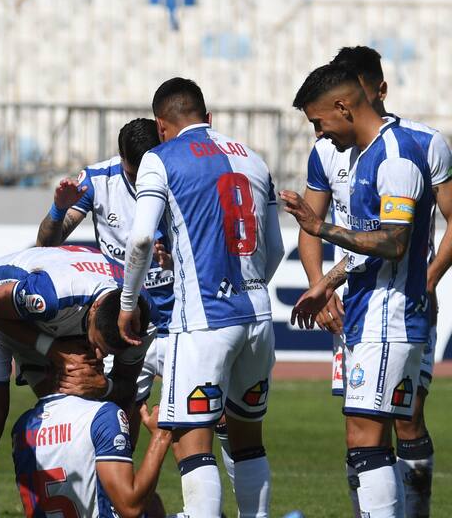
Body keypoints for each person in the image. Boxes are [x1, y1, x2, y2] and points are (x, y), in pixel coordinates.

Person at [118, 78, 285, 518]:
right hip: (257, 316)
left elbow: (140, 240)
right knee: (248, 442)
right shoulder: (253, 158)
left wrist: (128, 304)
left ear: (161, 125)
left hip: (202, 322)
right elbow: (275, 249)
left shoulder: (159, 158)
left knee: (193, 443)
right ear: (207, 117)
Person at [299, 46, 451, 517]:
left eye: (318, 121)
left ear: (346, 104)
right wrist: (326, 282)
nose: (318, 133)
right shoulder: (360, 154)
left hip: (391, 313)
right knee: (363, 433)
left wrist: (321, 228)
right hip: (367, 312)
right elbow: (368, 245)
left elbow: (393, 241)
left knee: (377, 432)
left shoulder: (399, 154)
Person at [0, 245, 153, 518]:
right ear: (94, 310)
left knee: (75, 410)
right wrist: (53, 350)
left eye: (108, 353)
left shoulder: (140, 319)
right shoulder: (49, 294)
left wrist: (104, 387)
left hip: (54, 319)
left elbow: (127, 389)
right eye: (97, 345)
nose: (98, 356)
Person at [36, 117, 174, 440]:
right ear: (121, 159)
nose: (143, 183)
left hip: (175, 321)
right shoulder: (98, 181)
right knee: (118, 420)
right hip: (123, 322)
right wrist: (58, 210)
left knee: (193, 424)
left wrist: (172, 259)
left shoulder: (179, 178)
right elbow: (46, 245)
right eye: (134, 175)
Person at [12, 366, 171, 518]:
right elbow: (130, 507)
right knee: (153, 506)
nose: (99, 355)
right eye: (87, 351)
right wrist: (161, 436)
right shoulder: (102, 414)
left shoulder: (22, 426)